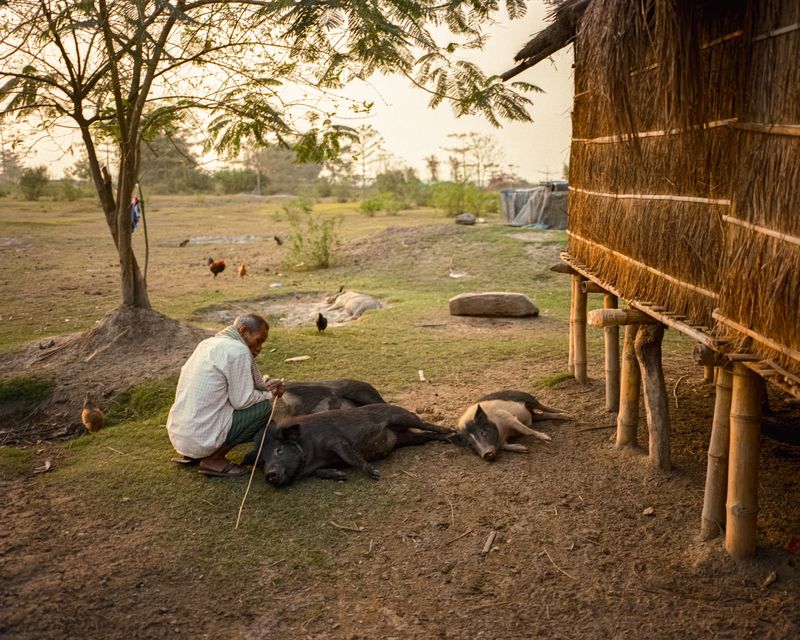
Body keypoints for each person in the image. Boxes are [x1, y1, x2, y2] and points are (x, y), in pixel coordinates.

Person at [166, 313, 285, 477]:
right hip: (200, 438)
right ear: (243, 331)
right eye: (258, 341)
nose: (259, 348)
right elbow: (242, 402)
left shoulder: (207, 343)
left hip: (181, 437)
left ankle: (199, 454)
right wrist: (269, 393)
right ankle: (214, 460)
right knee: (263, 409)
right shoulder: (239, 351)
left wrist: (264, 387)